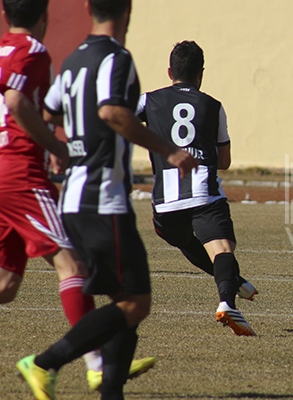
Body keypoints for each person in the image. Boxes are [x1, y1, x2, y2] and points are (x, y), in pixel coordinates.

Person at [15, 0, 198, 399]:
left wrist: (61, 146)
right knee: (136, 303)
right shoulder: (116, 57)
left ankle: (110, 391)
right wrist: (168, 150)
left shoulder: (73, 59)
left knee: (123, 301)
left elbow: (47, 114)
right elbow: (114, 112)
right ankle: (44, 363)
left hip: (76, 197)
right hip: (102, 198)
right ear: (128, 9)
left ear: (86, 7)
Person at [0, 0, 154, 393]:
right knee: (80, 272)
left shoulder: (35, 56)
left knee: (6, 284)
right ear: (44, 16)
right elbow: (21, 103)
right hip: (31, 175)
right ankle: (76, 363)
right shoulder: (35, 51)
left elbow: (46, 109)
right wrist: (58, 146)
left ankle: (106, 377)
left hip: (22, 177)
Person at [136, 40, 257, 336]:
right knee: (222, 249)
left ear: (169, 71)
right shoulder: (213, 106)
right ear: (201, 74)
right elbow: (224, 161)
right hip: (204, 194)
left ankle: (233, 280)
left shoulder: (148, 100)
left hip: (165, 204)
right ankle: (227, 300)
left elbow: (117, 117)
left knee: (185, 240)